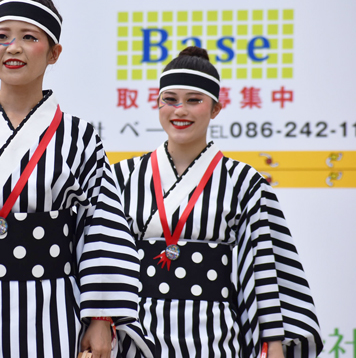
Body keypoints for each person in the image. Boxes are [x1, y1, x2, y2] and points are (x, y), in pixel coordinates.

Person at [0, 0, 154, 358]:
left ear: (54, 52)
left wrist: (101, 319)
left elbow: (103, 230)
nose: (13, 48)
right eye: (2, 36)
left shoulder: (78, 138)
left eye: (29, 37)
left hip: (55, 308)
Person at [112, 46, 323, 358]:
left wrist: (274, 344)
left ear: (215, 109)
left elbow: (265, 266)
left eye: (193, 100)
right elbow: (101, 261)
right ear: (157, 104)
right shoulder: (122, 177)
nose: (179, 110)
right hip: (137, 335)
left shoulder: (245, 182)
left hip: (215, 337)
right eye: (170, 100)